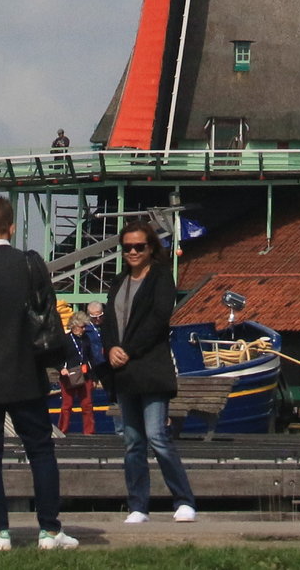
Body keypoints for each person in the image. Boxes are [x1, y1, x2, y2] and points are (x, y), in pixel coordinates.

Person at [0, 195, 76, 550]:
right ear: (11, 227)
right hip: (25, 370)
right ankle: (50, 531)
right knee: (40, 450)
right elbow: (45, 309)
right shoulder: (27, 264)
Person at [103, 219, 196, 524]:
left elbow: (158, 320)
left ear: (151, 247)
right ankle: (138, 505)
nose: (132, 252)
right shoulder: (118, 281)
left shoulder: (160, 278)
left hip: (150, 367)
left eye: (138, 247)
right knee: (132, 441)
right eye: (127, 247)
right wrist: (110, 348)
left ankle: (183, 500)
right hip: (124, 372)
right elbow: (108, 321)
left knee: (157, 435)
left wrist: (129, 349)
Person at [53, 303, 99, 436]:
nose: (83, 329)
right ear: (73, 326)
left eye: (85, 327)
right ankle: (63, 430)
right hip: (69, 376)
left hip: (85, 375)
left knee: (87, 405)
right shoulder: (65, 340)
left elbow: (91, 358)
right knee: (67, 406)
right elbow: (56, 358)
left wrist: (94, 377)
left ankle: (89, 432)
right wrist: (61, 368)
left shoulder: (86, 340)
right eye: (81, 327)